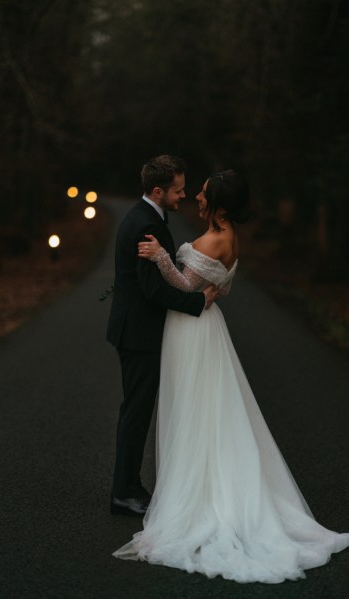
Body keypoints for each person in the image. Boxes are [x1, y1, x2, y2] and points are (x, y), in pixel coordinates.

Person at [113, 170, 349, 583]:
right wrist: (201, 290)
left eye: (204, 194)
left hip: (191, 332)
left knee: (196, 412)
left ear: (220, 204)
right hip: (204, 328)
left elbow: (186, 285)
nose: (196, 197)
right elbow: (212, 290)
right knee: (208, 411)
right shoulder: (227, 237)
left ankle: (198, 497)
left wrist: (160, 257)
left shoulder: (216, 239)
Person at [106, 155, 219, 517]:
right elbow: (154, 291)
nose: (183, 196)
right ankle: (124, 492)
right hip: (138, 333)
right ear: (158, 191)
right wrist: (197, 301)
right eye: (178, 190)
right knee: (136, 412)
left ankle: (129, 487)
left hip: (137, 329)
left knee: (136, 410)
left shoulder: (150, 218)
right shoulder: (145, 226)